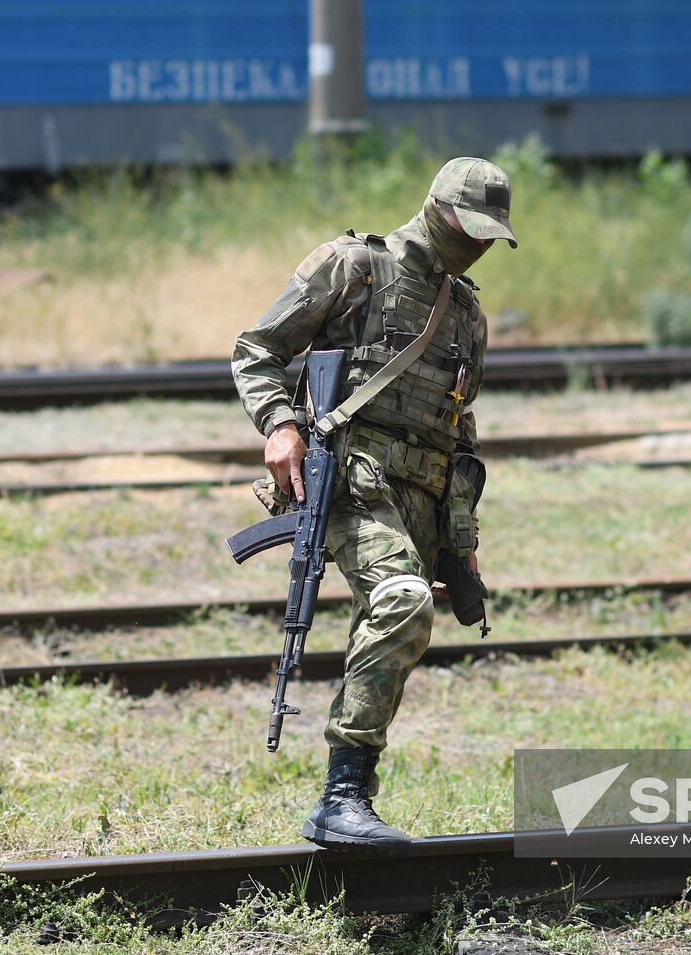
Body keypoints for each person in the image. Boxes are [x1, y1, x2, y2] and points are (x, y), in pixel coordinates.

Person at [230, 157, 516, 852]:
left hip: (418, 500)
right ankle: (343, 796)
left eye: (490, 235)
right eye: (469, 228)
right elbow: (256, 350)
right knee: (402, 603)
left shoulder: (467, 315)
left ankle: (349, 795)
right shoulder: (352, 267)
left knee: (403, 611)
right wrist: (281, 425)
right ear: (437, 208)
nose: (477, 244)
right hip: (351, 483)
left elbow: (460, 435)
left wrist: (462, 535)